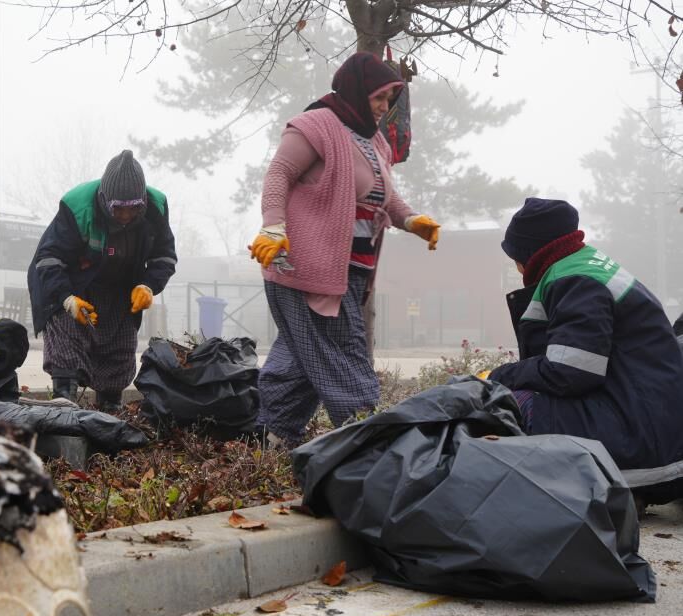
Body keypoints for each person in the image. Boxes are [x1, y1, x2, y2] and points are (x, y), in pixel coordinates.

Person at [249, 52, 441, 446]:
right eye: (379, 98)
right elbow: (279, 174)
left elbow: (387, 197)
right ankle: (370, 441)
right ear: (357, 91)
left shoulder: (375, 142)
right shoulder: (315, 125)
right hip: (307, 266)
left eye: (389, 100)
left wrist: (411, 220)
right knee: (345, 353)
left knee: (299, 360)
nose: (384, 108)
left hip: (351, 270)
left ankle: (271, 438)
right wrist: (272, 226)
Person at [487, 197, 683, 504]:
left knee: (509, 404)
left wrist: (500, 375)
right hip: (652, 431)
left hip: (642, 449)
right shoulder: (586, 266)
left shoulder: (575, 280)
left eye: (513, 255)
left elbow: (572, 372)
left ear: (528, 253)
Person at [28, 149, 177, 410]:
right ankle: (63, 407)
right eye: (118, 208)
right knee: (67, 343)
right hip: (72, 284)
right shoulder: (78, 207)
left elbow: (164, 257)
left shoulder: (155, 207)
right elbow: (49, 258)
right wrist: (66, 299)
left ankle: (109, 411)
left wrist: (148, 285)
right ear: (104, 198)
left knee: (119, 349)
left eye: (134, 209)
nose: (125, 216)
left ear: (142, 201)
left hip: (120, 286)